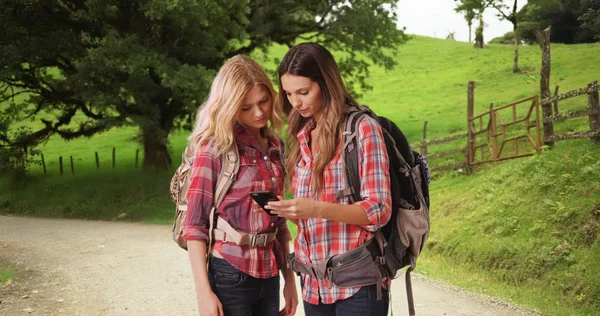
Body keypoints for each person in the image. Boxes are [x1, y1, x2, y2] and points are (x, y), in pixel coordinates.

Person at [265, 43, 392, 316]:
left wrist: (316, 208)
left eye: (303, 92)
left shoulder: (361, 129)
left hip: (358, 285)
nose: (295, 103)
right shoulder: (301, 135)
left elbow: (379, 210)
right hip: (313, 285)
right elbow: (312, 221)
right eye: (288, 94)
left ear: (325, 83)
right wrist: (291, 211)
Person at [183, 55, 298, 316]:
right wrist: (204, 293)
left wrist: (289, 281)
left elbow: (279, 220)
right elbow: (195, 225)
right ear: (230, 105)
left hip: (269, 273)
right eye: (246, 107)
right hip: (229, 273)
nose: (258, 113)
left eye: (263, 101)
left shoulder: (275, 146)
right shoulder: (214, 147)